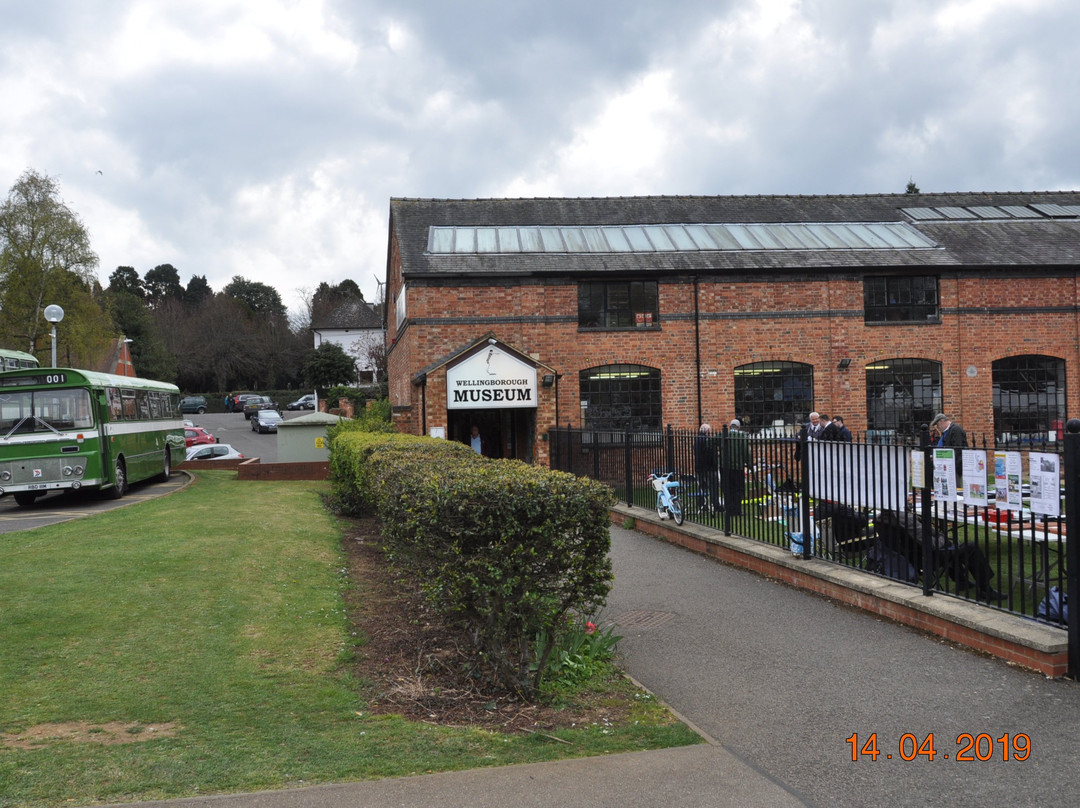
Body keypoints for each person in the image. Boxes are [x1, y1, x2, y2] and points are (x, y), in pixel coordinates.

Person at [722, 419, 752, 516]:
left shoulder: (723, 435)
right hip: (738, 467)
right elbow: (746, 452)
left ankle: (728, 509)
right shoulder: (742, 436)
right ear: (738, 427)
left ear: (730, 426)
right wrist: (749, 464)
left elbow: (709, 441)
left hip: (725, 467)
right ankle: (737, 510)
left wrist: (719, 454)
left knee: (727, 488)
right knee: (738, 489)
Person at [694, 423, 721, 513]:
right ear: (706, 431)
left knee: (702, 487)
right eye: (708, 431)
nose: (709, 433)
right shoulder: (707, 440)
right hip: (709, 468)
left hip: (699, 467)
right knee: (713, 487)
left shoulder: (697, 439)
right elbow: (711, 454)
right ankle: (715, 505)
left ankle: (703, 505)